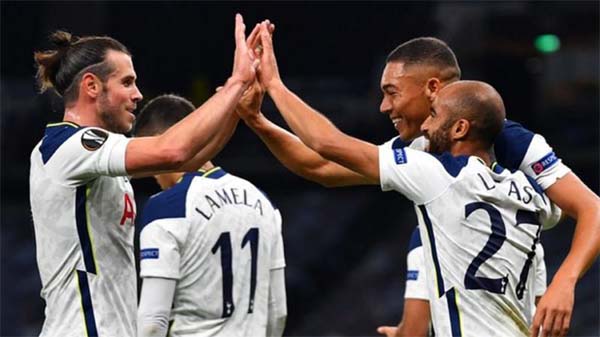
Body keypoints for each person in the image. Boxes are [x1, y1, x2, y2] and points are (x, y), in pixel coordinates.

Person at [240, 25, 600, 337]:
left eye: (391, 91)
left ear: (433, 89)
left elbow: (592, 208)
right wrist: (258, 121)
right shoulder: (527, 194)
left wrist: (274, 85)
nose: (384, 106)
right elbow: (318, 167)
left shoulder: (489, 150)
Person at [29, 14, 260, 336]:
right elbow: (172, 150)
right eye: (127, 82)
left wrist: (237, 105)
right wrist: (235, 82)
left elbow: (189, 158)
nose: (138, 94)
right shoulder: (66, 145)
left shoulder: (99, 155)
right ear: (92, 86)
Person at [133, 94, 286, 337]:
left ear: (160, 142)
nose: (152, 173)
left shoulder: (167, 207)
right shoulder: (263, 202)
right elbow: (277, 312)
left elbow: (153, 321)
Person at [376, 227, 548, 337]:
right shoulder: (527, 233)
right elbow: (545, 322)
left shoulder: (430, 232)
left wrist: (400, 333)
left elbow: (414, 332)